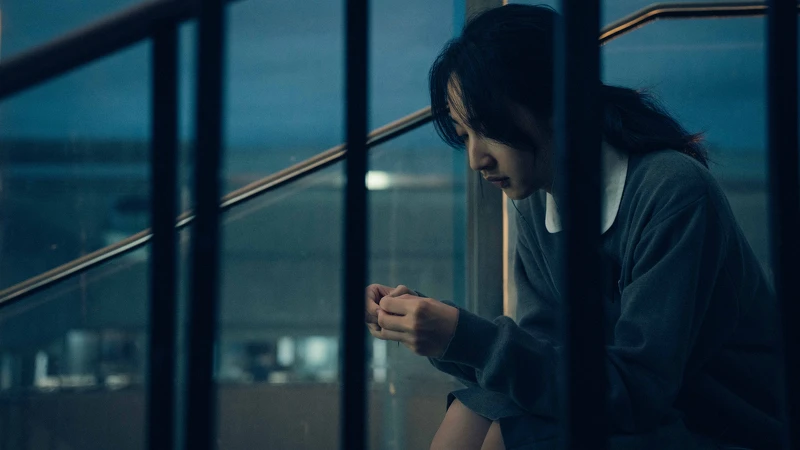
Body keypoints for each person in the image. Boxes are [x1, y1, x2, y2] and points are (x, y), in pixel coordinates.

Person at [364, 4, 783, 450]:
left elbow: (640, 389)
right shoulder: (538, 199)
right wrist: (443, 333)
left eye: (488, 128)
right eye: (465, 135)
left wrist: (462, 337)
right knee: (472, 413)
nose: (475, 159)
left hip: (717, 423)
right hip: (628, 406)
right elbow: (548, 352)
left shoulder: (672, 191)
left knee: (512, 435)